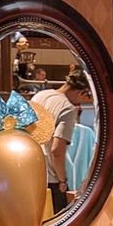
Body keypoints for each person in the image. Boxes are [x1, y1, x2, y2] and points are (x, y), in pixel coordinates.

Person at [31, 68, 92, 212]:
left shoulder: (40, 95)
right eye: (87, 97)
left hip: (30, 169)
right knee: (54, 222)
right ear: (82, 92)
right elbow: (56, 150)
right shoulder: (68, 109)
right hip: (50, 178)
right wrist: (63, 180)